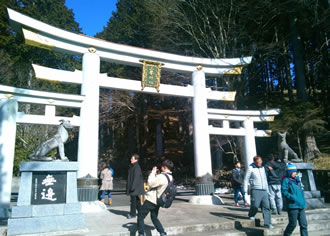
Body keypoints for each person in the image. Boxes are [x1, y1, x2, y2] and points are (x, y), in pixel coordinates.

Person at [137, 159, 174, 236]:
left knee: (140, 216)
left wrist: (153, 172)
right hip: (159, 201)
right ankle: (162, 232)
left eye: (162, 167)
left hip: (151, 200)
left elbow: (150, 183)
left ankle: (141, 233)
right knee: (154, 217)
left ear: (164, 167)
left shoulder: (162, 177)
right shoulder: (170, 177)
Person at [243, 155, 273, 229]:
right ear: (255, 162)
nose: (260, 163)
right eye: (259, 162)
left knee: (266, 207)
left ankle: (267, 223)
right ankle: (251, 214)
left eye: (261, 161)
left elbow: (265, 179)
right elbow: (246, 179)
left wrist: (267, 190)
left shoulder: (263, 168)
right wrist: (245, 189)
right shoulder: (251, 168)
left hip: (264, 190)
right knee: (255, 206)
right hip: (255, 189)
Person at [282, 163, 308, 236]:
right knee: (293, 224)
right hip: (293, 205)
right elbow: (284, 191)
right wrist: (292, 197)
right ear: (289, 172)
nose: (295, 173)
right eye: (293, 172)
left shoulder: (298, 180)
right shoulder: (286, 180)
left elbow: (301, 190)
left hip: (301, 205)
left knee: (304, 224)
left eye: (295, 171)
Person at [127, 154, 145, 219]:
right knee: (137, 200)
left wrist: (133, 187)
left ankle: (133, 214)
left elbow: (136, 178)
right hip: (135, 187)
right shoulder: (133, 166)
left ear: (136, 160)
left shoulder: (136, 167)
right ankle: (141, 212)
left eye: (132, 159)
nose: (131, 160)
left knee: (133, 201)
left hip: (135, 187)